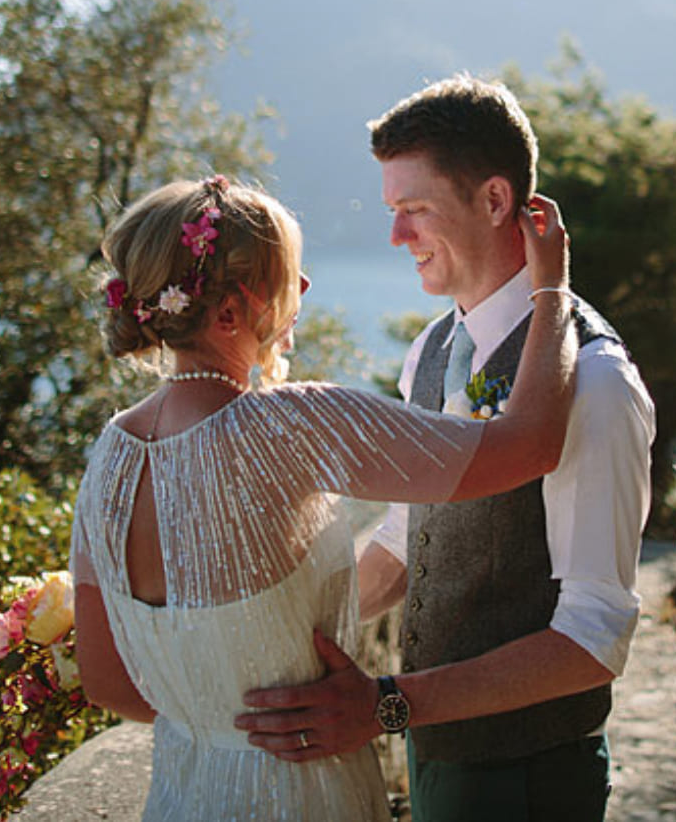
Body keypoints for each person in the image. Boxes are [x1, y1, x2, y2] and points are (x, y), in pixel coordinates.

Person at [69, 174, 580, 821]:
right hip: (302, 792)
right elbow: (531, 446)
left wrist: (220, 727)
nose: (305, 289)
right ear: (229, 312)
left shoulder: (110, 454)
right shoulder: (289, 424)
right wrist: (552, 287)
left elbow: (107, 682)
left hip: (184, 794)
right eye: (288, 274)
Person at [236, 75, 656, 821]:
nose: (396, 237)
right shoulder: (432, 349)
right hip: (437, 758)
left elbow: (593, 637)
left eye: (414, 211)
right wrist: (269, 634)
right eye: (393, 211)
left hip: (530, 777)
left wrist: (385, 707)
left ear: (495, 202)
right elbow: (410, 536)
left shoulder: (594, 380)